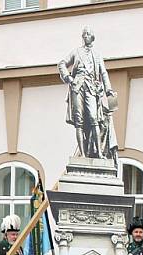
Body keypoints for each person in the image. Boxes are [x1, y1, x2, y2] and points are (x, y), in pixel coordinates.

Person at [58, 26, 118, 161]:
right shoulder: (76, 52)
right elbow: (62, 63)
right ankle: (83, 155)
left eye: (88, 34)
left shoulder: (97, 55)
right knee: (79, 121)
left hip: (92, 88)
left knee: (94, 118)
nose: (85, 36)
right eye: (83, 34)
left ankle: (100, 153)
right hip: (77, 87)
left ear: (92, 37)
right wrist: (68, 78)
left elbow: (103, 73)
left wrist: (108, 89)